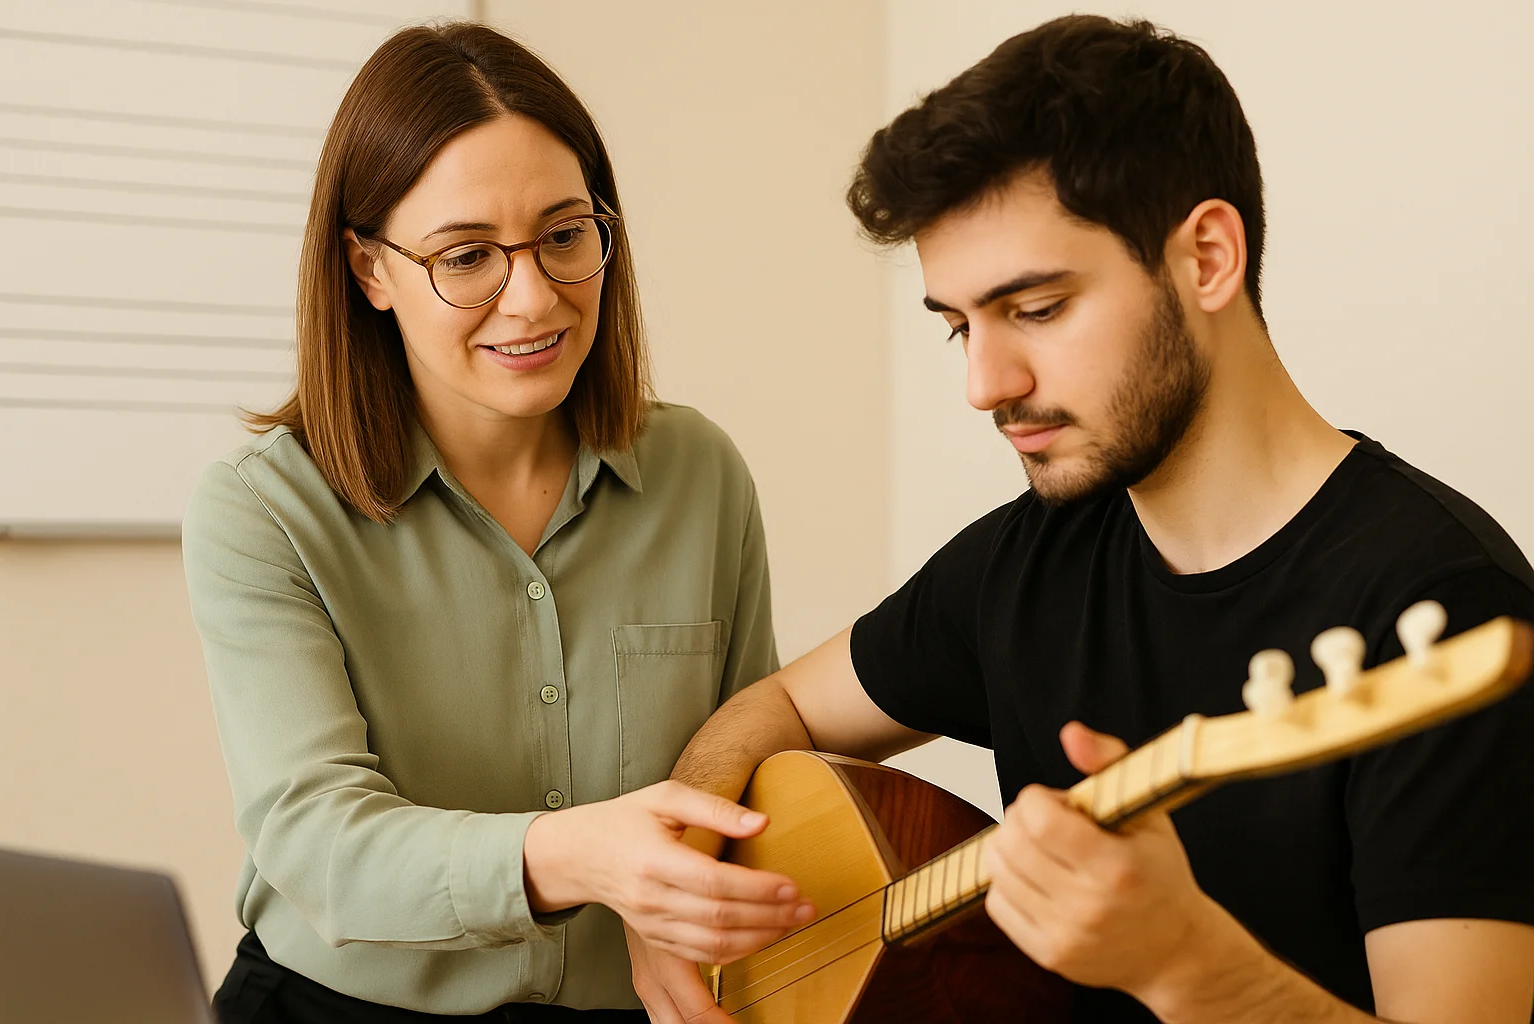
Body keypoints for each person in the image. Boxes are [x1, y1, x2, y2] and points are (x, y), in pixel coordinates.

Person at [626, 15, 1534, 1024]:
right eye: (960, 326)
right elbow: (773, 711)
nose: (984, 382)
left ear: (1208, 257)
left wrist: (1191, 966)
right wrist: (678, 893)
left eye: (1037, 307)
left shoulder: (1443, 608)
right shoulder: (1034, 556)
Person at [181, 22, 811, 1023]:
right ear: (369, 270)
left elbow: (750, 766)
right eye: (467, 255)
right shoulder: (262, 509)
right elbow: (320, 846)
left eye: (565, 236)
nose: (533, 299)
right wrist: (579, 855)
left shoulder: (701, 472)